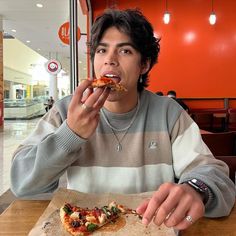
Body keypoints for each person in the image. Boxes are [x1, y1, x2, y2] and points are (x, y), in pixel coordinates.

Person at [10, 9, 235, 231]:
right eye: (101, 50)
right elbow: (22, 184)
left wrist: (195, 188)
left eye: (125, 51)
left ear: (144, 64)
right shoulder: (65, 111)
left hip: (151, 227)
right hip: (85, 227)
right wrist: (70, 134)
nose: (110, 60)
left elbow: (215, 176)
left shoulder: (168, 113)